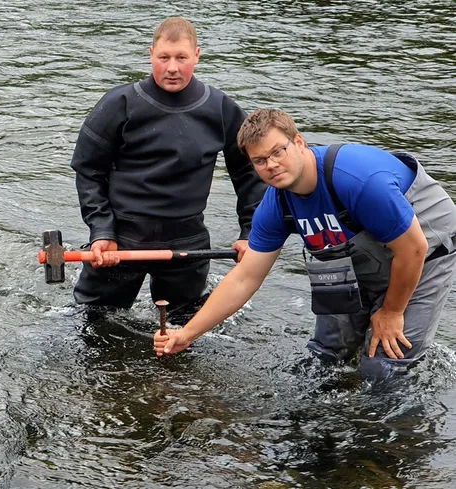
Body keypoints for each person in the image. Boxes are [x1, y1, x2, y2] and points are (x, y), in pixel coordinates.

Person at [154, 108, 456, 380]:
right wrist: (188, 334)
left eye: (278, 152)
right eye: (260, 160)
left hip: (426, 249)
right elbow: (245, 278)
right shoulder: (275, 205)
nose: (271, 165)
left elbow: (413, 249)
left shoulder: (358, 181)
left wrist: (391, 312)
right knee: (325, 356)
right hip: (358, 252)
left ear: (299, 143)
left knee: (383, 368)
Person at [69, 17, 267, 319]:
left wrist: (251, 233)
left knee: (185, 328)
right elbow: (88, 171)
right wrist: (101, 230)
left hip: (188, 240)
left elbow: (250, 174)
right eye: (164, 58)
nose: (172, 67)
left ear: (197, 56)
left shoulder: (221, 109)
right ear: (151, 54)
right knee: (94, 322)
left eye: (181, 58)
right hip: (121, 240)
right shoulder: (118, 103)